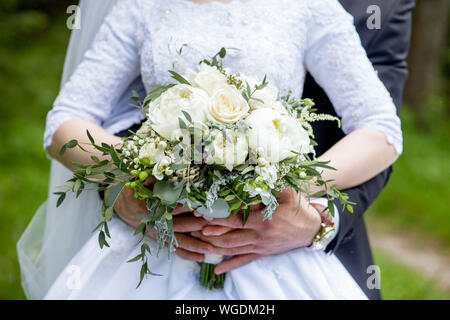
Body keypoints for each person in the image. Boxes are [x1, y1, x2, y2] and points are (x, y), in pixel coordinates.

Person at [18, 0, 409, 299]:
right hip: (158, 238)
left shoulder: (308, 7)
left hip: (268, 246)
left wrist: (285, 186)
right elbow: (66, 120)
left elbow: (381, 128)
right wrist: (129, 174)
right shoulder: (142, 6)